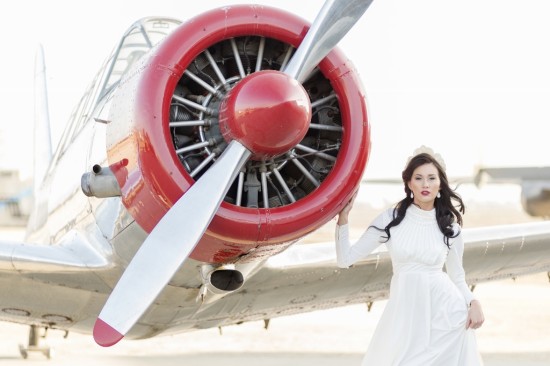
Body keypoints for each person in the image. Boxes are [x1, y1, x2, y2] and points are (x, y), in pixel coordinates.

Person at [335, 146, 485, 365]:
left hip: (446, 315)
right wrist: (343, 219)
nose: (425, 184)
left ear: (440, 184)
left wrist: (473, 302)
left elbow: (457, 277)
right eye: (419, 178)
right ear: (409, 183)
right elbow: (345, 259)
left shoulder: (450, 228)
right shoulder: (390, 219)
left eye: (432, 178)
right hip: (405, 315)